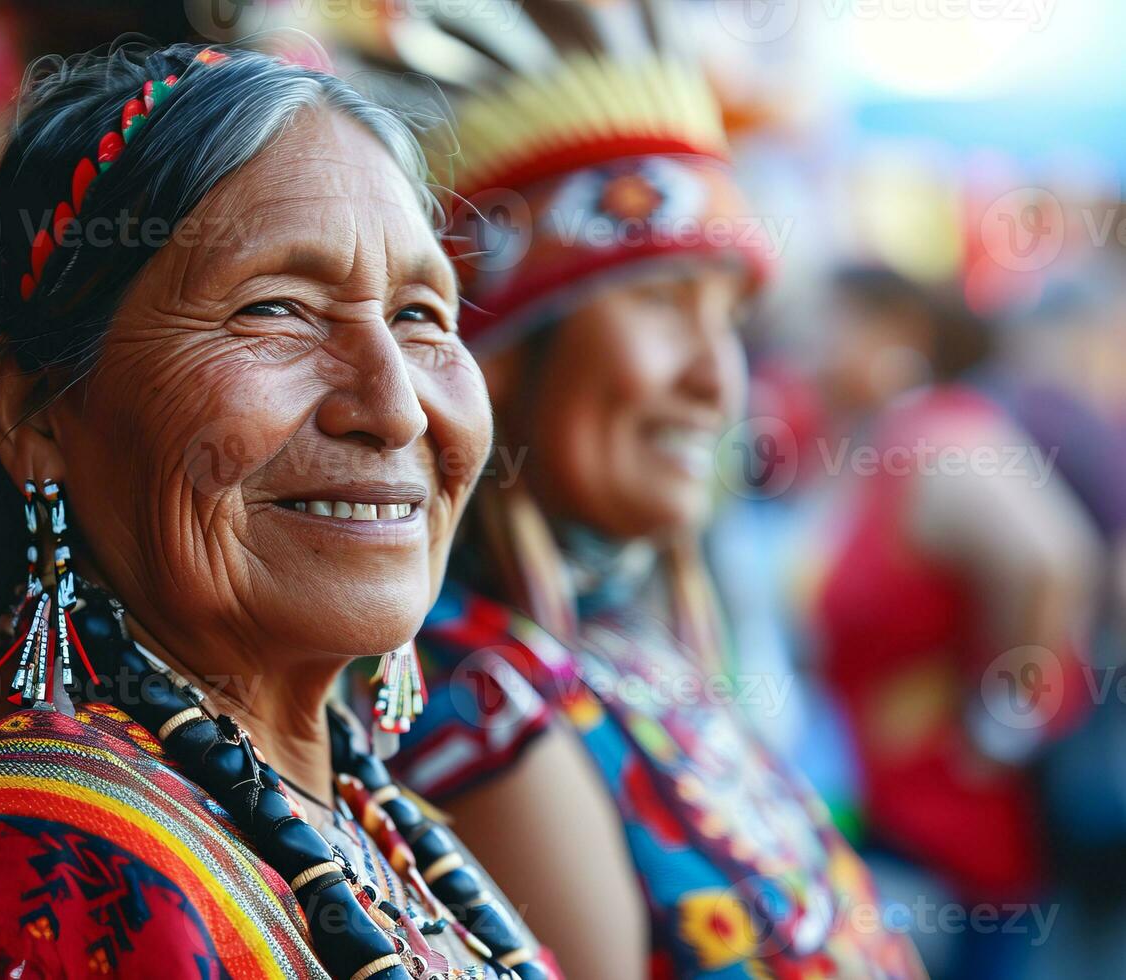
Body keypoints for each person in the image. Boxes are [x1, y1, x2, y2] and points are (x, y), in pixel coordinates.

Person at [0, 42, 558, 980]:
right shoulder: (34, 876)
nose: (395, 407)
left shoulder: (359, 824)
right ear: (39, 413)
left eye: (421, 316)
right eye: (276, 309)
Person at [327, 4, 928, 977]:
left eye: (728, 316)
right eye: (657, 301)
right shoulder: (468, 699)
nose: (715, 379)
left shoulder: (619, 648)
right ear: (494, 355)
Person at [812, 267, 1099, 979]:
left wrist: (1001, 719)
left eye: (832, 327)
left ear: (898, 335)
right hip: (892, 821)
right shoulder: (873, 439)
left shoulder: (936, 435)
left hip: (956, 845)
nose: (814, 349)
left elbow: (1054, 559)